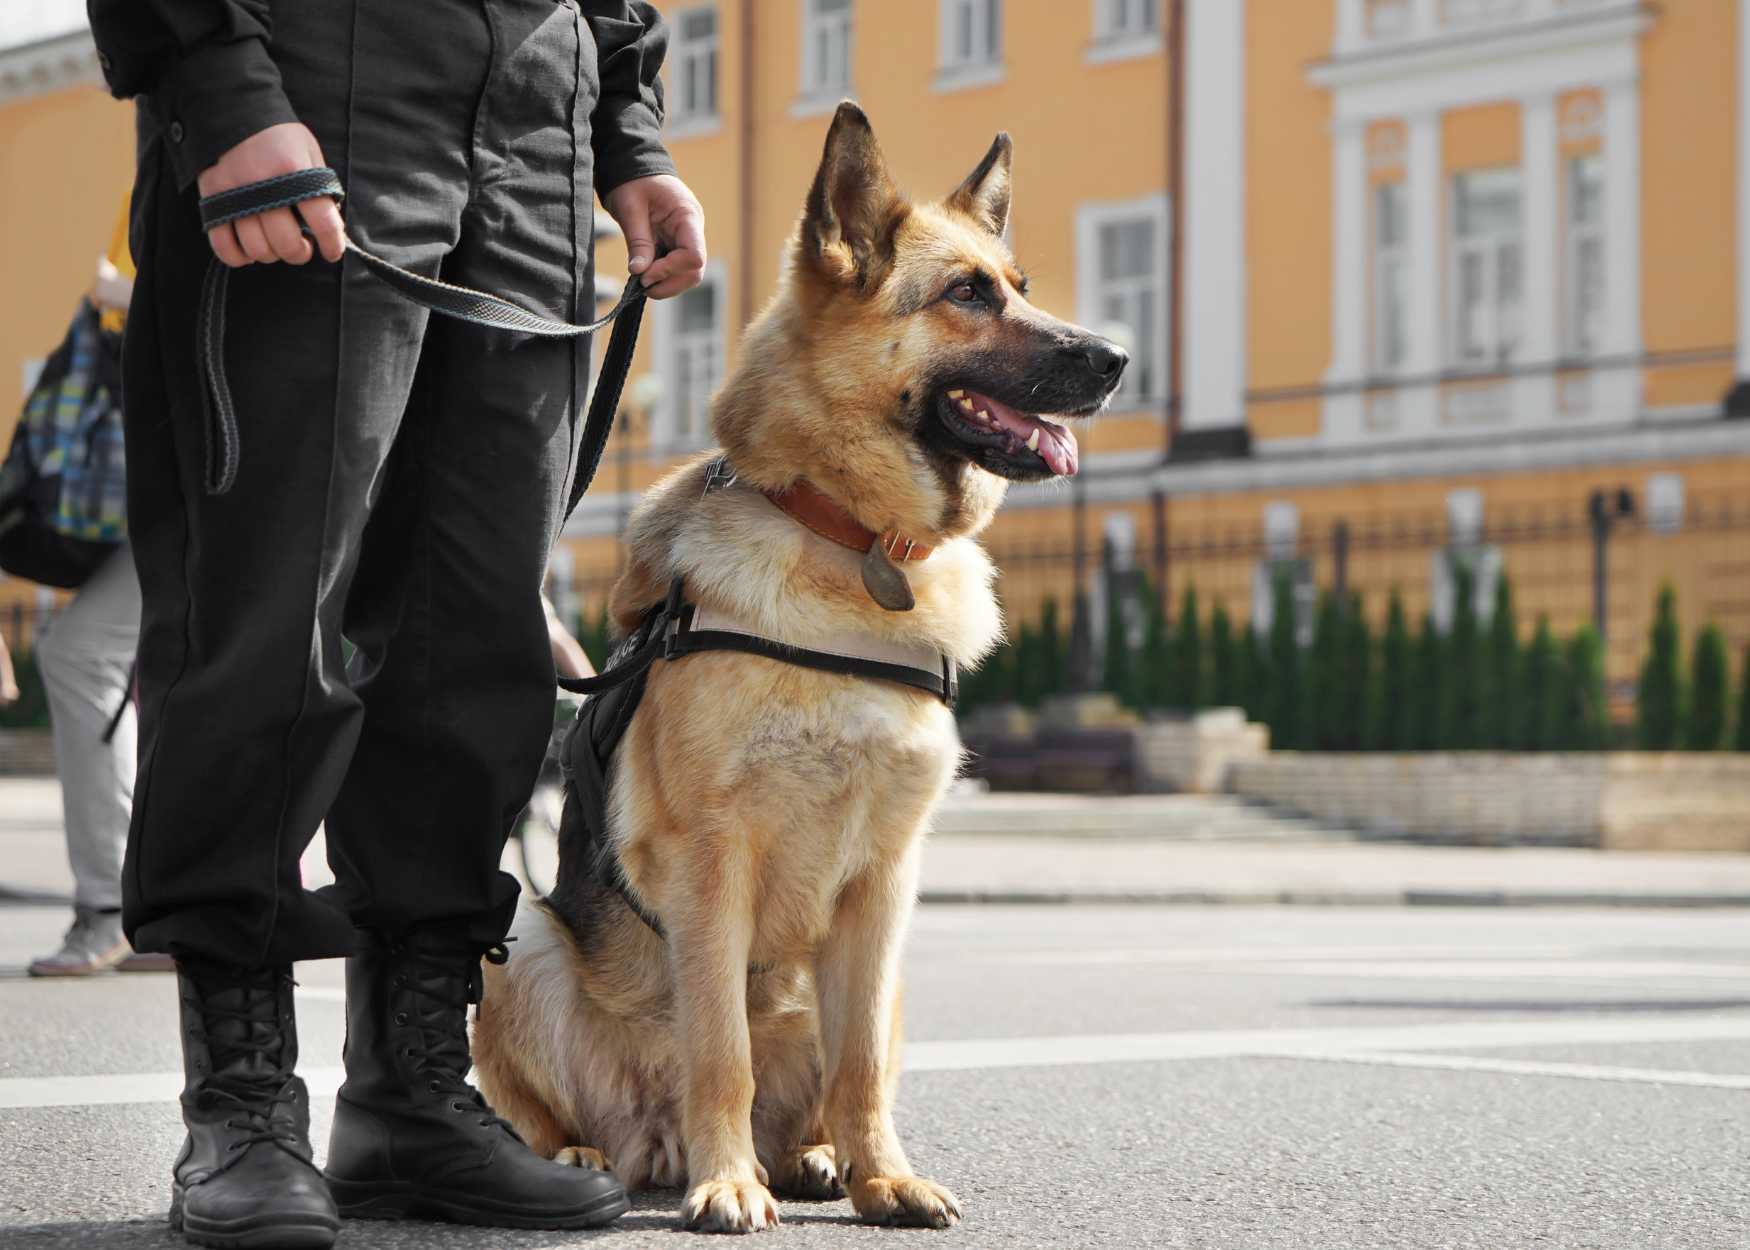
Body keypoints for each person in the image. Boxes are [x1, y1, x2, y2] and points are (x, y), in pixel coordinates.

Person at [87, 0, 706, 1243]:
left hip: (539, 114)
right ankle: (243, 1103)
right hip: (313, 70)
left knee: (476, 633)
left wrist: (625, 125)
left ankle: (409, 1093)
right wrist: (220, 79)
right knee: (269, 618)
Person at [27, 213, 171, 979]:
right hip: (179, 473)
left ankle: (127, 907)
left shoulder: (207, 154)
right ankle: (181, 909)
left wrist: (119, 291)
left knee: (83, 653)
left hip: (217, 470)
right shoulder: (150, 179)